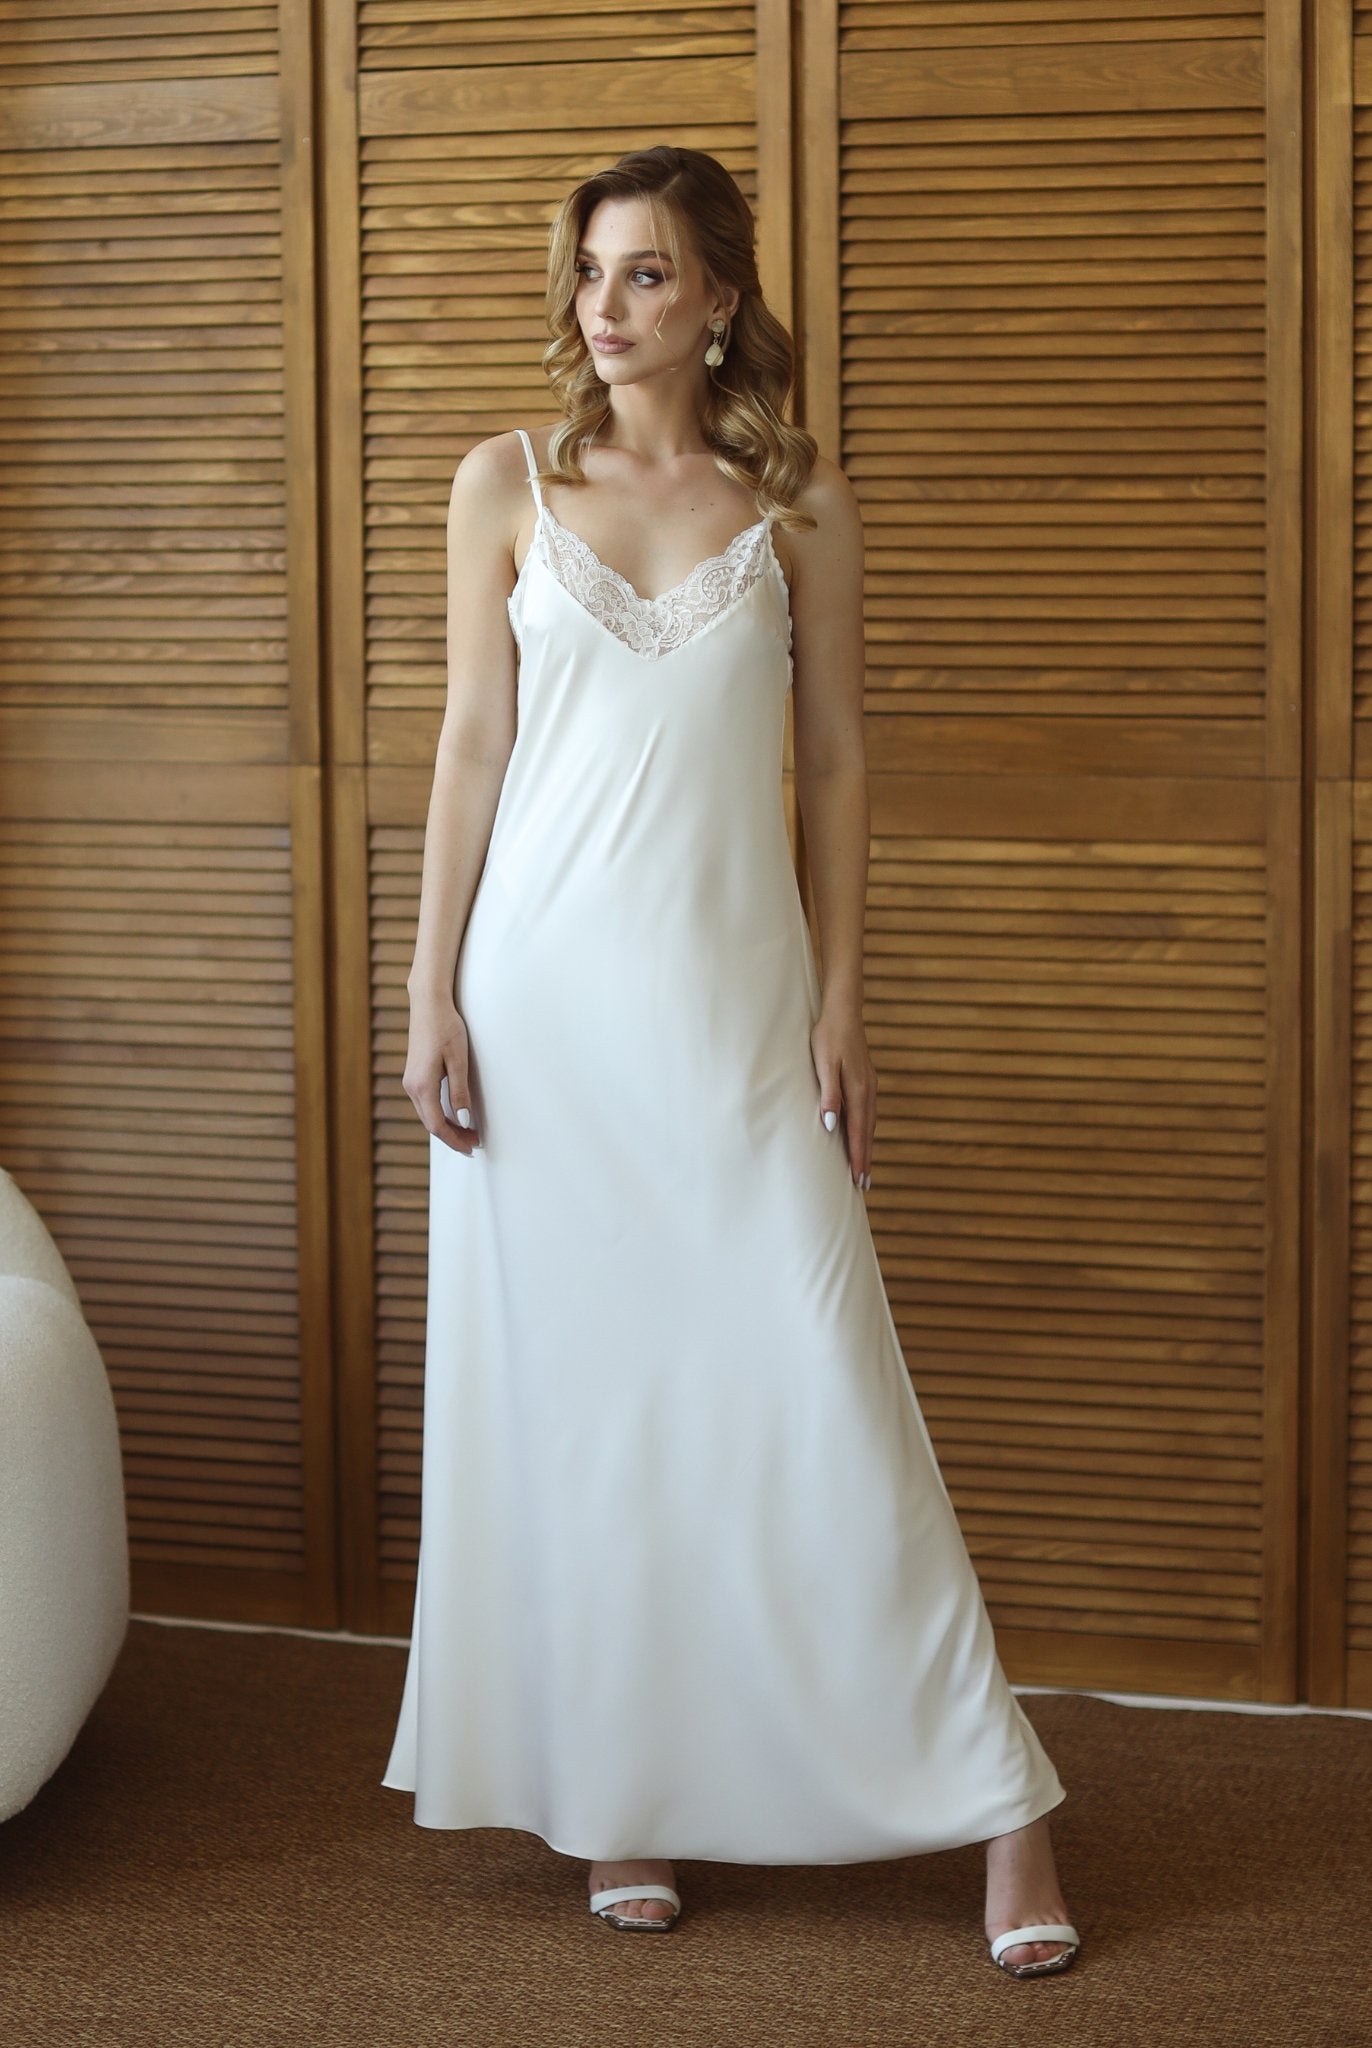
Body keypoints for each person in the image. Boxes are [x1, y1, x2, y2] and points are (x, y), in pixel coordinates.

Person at [381, 143, 1081, 1979]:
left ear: (716, 300)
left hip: (730, 1014)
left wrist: (845, 997)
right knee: (595, 1416)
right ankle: (631, 1795)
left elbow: (836, 763)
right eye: (595, 275)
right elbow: (470, 745)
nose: (610, 309)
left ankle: (1008, 1809)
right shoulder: (503, 486)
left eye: (649, 276)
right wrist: (429, 983)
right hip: (542, 1013)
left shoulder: (802, 501)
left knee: (822, 1387)